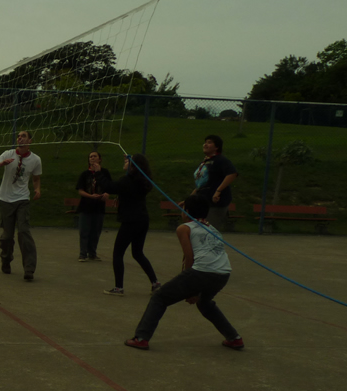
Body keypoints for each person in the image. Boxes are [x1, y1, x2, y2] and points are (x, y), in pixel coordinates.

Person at [124, 194, 243, 351]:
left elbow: (189, 257)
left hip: (201, 272)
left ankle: (141, 338)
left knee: (159, 298)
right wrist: (194, 290)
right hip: (223, 273)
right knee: (205, 303)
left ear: (186, 212)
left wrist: (191, 290)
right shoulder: (213, 229)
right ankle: (234, 338)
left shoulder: (184, 228)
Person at [0, 130, 41, 281]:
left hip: (22, 199)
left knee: (24, 232)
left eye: (23, 136)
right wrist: (1, 163)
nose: (20, 138)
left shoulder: (36, 159)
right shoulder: (8, 154)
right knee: (7, 237)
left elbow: (36, 178)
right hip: (5, 199)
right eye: (19, 136)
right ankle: (6, 259)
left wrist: (37, 189)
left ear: (29, 141)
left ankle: (29, 269)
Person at [102, 153, 160, 296]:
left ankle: (119, 287)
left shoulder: (128, 180)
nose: (125, 162)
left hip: (131, 221)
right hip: (142, 220)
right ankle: (155, 283)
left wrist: (99, 173)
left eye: (128, 161)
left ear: (134, 166)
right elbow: (124, 189)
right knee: (138, 253)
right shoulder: (143, 180)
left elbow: (109, 187)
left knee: (118, 253)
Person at [192, 134, 238, 230]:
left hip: (214, 203)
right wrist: (190, 199)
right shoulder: (204, 162)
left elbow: (232, 174)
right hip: (202, 201)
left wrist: (218, 191)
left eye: (209, 143)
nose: (205, 144)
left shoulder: (220, 160)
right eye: (205, 142)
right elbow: (201, 184)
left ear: (216, 147)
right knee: (198, 230)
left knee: (209, 230)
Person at [75, 150, 112, 262]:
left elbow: (110, 186)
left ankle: (92, 253)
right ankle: (83, 254)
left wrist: (107, 193)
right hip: (86, 206)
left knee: (95, 232)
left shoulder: (105, 172)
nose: (92, 158)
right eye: (90, 156)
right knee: (84, 231)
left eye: (95, 156)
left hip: (99, 207)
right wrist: (90, 196)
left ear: (99, 159)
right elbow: (80, 190)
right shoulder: (85, 174)